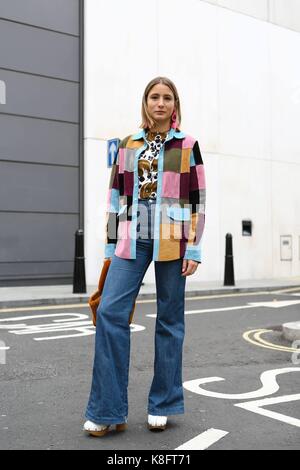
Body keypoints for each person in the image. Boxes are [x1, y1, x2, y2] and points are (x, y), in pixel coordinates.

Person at [83, 76, 206, 437]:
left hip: (172, 235)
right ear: (146, 102)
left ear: (175, 105)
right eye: (155, 97)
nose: (161, 103)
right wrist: (110, 246)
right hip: (130, 236)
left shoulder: (188, 145)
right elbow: (115, 196)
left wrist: (194, 247)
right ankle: (108, 410)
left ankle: (163, 403)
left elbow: (197, 198)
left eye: (167, 98)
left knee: (169, 320)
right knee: (109, 312)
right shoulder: (128, 144)